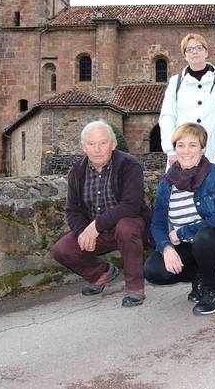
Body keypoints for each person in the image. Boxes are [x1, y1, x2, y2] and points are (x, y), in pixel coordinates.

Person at [52, 120, 153, 307]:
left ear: (113, 144)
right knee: (62, 250)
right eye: (91, 144)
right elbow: (72, 210)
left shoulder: (129, 165)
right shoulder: (77, 171)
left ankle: (134, 287)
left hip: (130, 225)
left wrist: (96, 226)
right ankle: (101, 273)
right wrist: (82, 232)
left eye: (103, 143)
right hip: (97, 231)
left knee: (126, 227)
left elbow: (131, 205)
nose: (97, 149)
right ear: (84, 147)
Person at [144, 123, 215, 315]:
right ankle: (200, 274)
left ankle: (211, 290)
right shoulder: (166, 182)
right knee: (153, 270)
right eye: (181, 145)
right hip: (184, 244)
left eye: (193, 145)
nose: (186, 151)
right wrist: (166, 248)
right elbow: (158, 223)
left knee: (204, 237)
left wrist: (182, 232)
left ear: (203, 149)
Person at [158, 33, 215, 172]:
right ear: (185, 55)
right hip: (183, 153)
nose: (194, 52)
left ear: (206, 52)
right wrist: (170, 150)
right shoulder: (175, 82)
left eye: (198, 48)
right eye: (189, 49)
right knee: (182, 185)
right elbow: (167, 117)